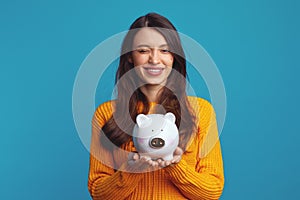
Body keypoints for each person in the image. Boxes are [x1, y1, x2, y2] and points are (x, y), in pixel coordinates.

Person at [88, 13, 224, 200]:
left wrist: (175, 166)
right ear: (130, 57)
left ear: (174, 57)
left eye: (164, 50)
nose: (154, 59)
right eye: (143, 51)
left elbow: (212, 191)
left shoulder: (201, 111)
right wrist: (131, 170)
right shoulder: (106, 114)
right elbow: (98, 193)